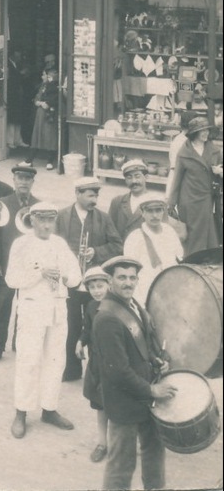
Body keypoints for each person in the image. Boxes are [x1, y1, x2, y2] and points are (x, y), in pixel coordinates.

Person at [92, 256, 176, 491]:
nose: (128, 283)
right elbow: (117, 371)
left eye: (132, 277)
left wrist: (157, 360)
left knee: (154, 454)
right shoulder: (106, 318)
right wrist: (152, 390)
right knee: (121, 465)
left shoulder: (134, 305)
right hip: (125, 403)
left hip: (147, 396)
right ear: (110, 280)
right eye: (122, 277)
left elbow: (145, 345)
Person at [5, 201, 82, 438]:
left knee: (56, 360)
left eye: (51, 220)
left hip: (57, 310)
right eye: (42, 220)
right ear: (33, 220)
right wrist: (40, 273)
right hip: (32, 310)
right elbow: (11, 279)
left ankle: (49, 408)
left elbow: (76, 276)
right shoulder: (21, 243)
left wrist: (66, 275)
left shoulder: (59, 243)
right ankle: (22, 412)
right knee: (28, 360)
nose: (47, 225)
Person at [57, 176, 123, 382]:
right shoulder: (62, 216)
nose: (94, 198)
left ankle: (96, 370)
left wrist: (96, 252)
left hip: (95, 284)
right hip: (71, 282)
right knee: (71, 325)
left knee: (97, 325)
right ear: (77, 193)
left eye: (96, 194)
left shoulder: (103, 217)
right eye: (90, 194)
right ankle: (72, 369)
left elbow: (117, 245)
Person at [0, 163, 40, 367]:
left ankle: (20, 343)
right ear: (14, 180)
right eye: (20, 178)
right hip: (7, 264)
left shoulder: (39, 206)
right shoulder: (1, 204)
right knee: (2, 306)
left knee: (26, 306)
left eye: (27, 179)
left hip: (29, 266)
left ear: (33, 182)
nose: (23, 182)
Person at [168, 116, 223, 257]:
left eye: (207, 130)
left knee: (207, 230)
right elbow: (177, 179)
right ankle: (191, 260)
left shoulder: (215, 151)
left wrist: (219, 172)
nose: (205, 133)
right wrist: (171, 204)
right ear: (194, 133)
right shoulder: (184, 153)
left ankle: (206, 259)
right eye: (202, 131)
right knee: (191, 232)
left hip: (207, 198)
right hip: (188, 200)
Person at [122, 194, 183, 306]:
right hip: (145, 292)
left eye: (158, 210)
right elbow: (130, 274)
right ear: (142, 213)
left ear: (163, 211)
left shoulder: (170, 232)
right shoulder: (134, 238)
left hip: (171, 288)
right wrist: (139, 302)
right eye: (150, 211)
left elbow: (179, 259)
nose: (155, 215)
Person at [77, 266, 112, 463]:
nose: (97, 291)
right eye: (93, 287)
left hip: (114, 364)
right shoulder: (90, 307)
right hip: (97, 363)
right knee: (100, 406)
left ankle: (123, 444)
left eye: (101, 286)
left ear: (109, 285)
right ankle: (102, 443)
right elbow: (87, 328)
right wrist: (80, 341)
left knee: (118, 404)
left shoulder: (116, 306)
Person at [26, 65, 60, 170]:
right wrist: (40, 103)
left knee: (50, 137)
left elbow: (58, 99)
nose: (42, 77)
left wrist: (49, 104)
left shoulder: (55, 86)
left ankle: (50, 161)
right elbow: (35, 99)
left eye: (44, 75)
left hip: (50, 114)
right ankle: (29, 160)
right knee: (36, 136)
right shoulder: (42, 86)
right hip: (40, 113)